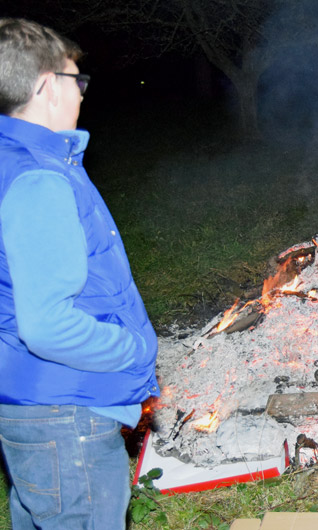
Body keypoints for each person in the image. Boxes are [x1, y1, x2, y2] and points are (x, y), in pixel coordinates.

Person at [0, 18, 159, 529]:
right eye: (76, 81)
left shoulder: (12, 160)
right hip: (64, 412)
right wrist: (133, 351)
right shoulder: (38, 180)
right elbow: (47, 325)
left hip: (30, 402)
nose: (83, 94)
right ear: (47, 86)